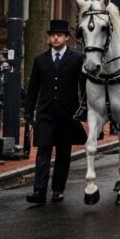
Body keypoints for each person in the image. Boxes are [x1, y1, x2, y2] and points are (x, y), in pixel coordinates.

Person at [24, 20, 88, 204]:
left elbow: (83, 87)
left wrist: (85, 108)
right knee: (43, 152)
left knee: (63, 154)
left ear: (67, 38)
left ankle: (58, 189)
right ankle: (39, 191)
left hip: (67, 115)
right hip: (45, 113)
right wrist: (28, 111)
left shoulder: (77, 58)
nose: (56, 37)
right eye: (52, 35)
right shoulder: (40, 59)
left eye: (59, 35)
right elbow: (33, 88)